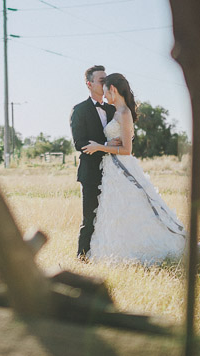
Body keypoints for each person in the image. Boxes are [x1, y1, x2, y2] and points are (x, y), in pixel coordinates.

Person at [81, 73, 186, 264]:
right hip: (112, 170)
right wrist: (107, 143)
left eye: (106, 92)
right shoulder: (115, 112)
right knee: (115, 209)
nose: (104, 97)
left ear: (113, 89)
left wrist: (99, 146)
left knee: (131, 208)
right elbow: (116, 142)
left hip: (123, 168)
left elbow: (127, 150)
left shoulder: (124, 113)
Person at [70, 65, 117, 259]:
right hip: (90, 173)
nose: (105, 83)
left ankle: (107, 255)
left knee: (113, 216)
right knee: (90, 217)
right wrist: (105, 144)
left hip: (114, 173)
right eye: (101, 80)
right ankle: (82, 257)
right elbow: (79, 143)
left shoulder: (113, 109)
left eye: (106, 79)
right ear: (89, 84)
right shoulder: (79, 110)